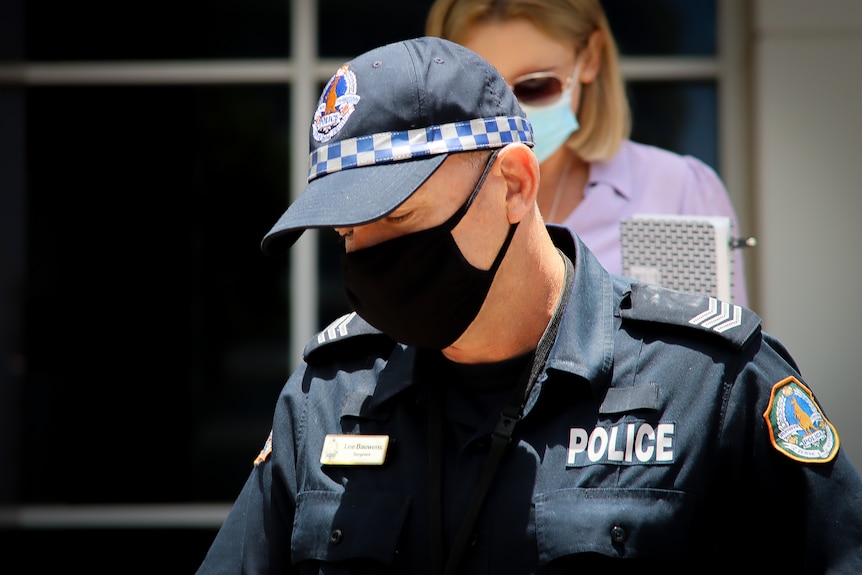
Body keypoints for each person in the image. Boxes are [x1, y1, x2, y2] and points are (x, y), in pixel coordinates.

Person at [195, 37, 862, 574]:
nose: (369, 259)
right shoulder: (324, 396)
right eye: (346, 234)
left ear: (514, 183)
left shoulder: (710, 384)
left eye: (397, 217)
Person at [425, 0, 751, 306]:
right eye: (485, 91)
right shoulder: (424, 199)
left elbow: (724, 357)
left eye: (536, 85)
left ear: (590, 58)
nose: (511, 113)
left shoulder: (679, 191)